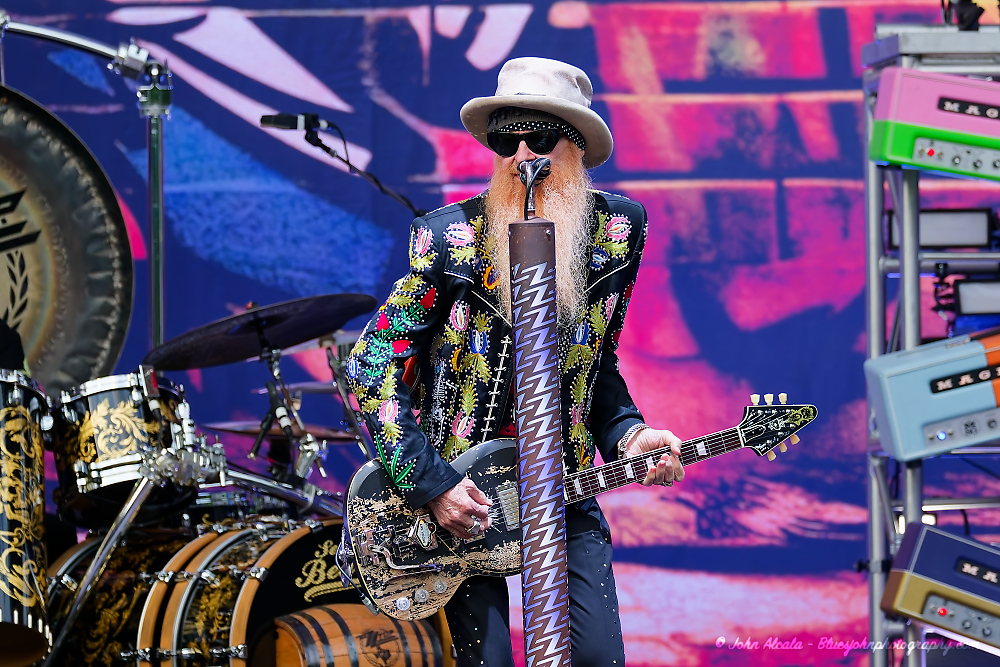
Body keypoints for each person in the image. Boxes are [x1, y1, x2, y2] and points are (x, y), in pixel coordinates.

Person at [346, 57, 685, 667]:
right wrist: (431, 485)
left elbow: (595, 363)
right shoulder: (448, 238)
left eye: (538, 132)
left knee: (599, 656)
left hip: (566, 480)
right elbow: (373, 366)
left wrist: (630, 435)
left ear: (576, 147)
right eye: (506, 135)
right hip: (462, 497)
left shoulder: (617, 230)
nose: (522, 152)